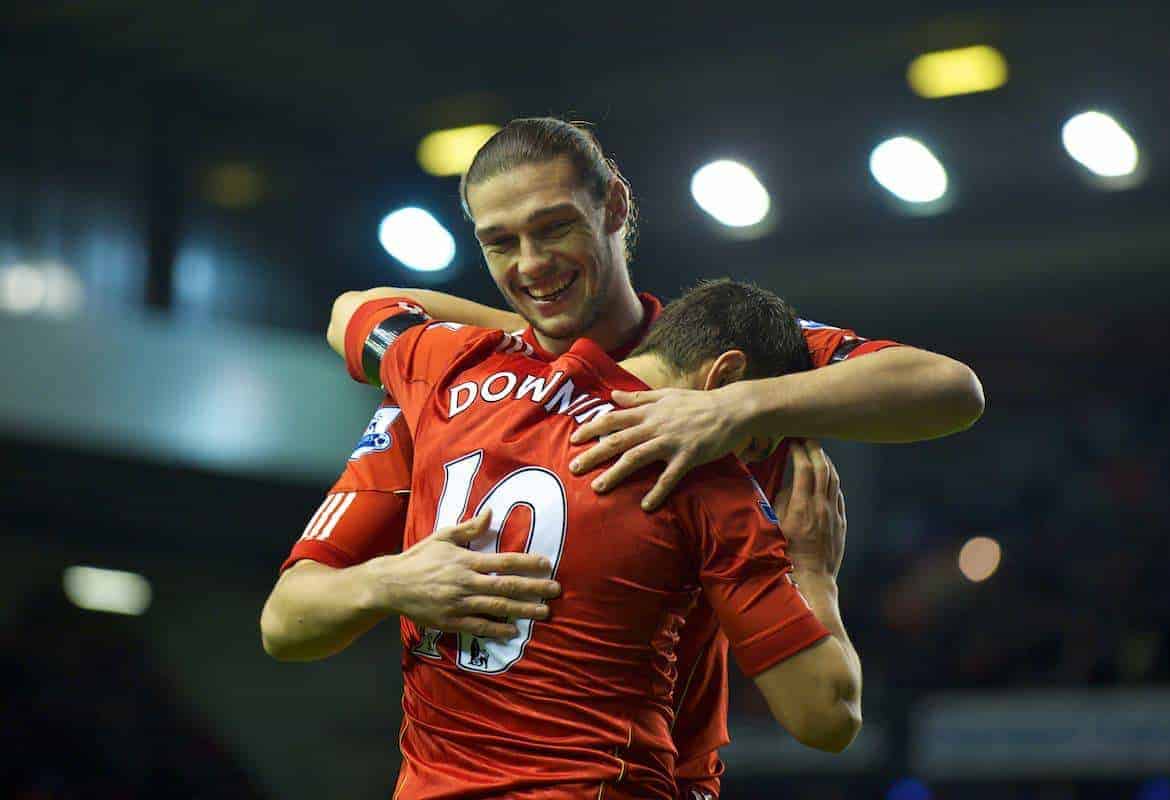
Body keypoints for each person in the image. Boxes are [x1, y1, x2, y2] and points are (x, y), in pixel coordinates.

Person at [265, 117, 985, 797]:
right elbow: (287, 619)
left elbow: (952, 389)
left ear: (615, 204)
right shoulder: (448, 392)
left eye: (554, 228)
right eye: (501, 243)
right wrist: (393, 579)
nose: (532, 264)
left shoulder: (726, 362)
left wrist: (730, 409)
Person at [288, 279, 860, 798]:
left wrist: (534, 341)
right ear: (726, 381)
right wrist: (813, 569)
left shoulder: (453, 374)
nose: (754, 460)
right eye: (759, 440)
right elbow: (826, 718)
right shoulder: (711, 483)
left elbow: (353, 312)